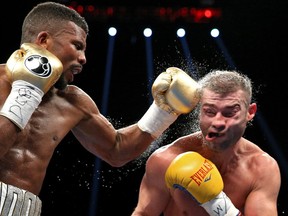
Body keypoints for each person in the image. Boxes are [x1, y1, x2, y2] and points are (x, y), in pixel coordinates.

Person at [0, 2, 201, 215]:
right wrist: (28, 90)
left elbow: (117, 150)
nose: (83, 58)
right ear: (43, 41)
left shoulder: (73, 101)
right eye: (77, 46)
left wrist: (164, 110)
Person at [131, 70, 281, 216]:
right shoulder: (165, 160)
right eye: (210, 111)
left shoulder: (262, 169)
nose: (218, 122)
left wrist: (220, 207)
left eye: (229, 113)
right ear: (200, 112)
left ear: (250, 112)